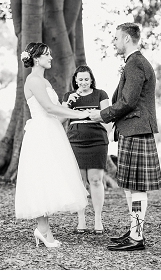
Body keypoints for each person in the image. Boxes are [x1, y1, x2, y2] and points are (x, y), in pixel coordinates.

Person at [89, 22, 161, 251]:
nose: (114, 42)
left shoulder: (135, 63)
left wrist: (102, 115)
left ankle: (137, 237)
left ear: (127, 39)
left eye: (116, 38)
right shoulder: (134, 63)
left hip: (136, 130)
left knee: (137, 187)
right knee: (132, 187)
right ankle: (134, 231)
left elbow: (128, 102)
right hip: (133, 130)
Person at [14, 42, 90, 248]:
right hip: (41, 134)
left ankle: (44, 231)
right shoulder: (33, 79)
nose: (51, 58)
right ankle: (43, 232)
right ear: (37, 59)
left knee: (47, 178)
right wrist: (81, 114)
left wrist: (68, 108)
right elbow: (48, 107)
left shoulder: (44, 82)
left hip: (51, 130)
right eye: (47, 55)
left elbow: (55, 112)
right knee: (41, 179)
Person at [61, 65, 111, 234]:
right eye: (80, 79)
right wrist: (69, 103)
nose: (83, 82)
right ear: (75, 80)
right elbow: (61, 118)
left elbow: (107, 119)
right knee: (80, 181)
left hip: (97, 140)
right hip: (75, 141)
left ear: (91, 80)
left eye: (86, 79)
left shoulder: (101, 94)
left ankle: (98, 219)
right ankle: (81, 220)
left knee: (96, 179)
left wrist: (94, 115)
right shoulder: (69, 96)